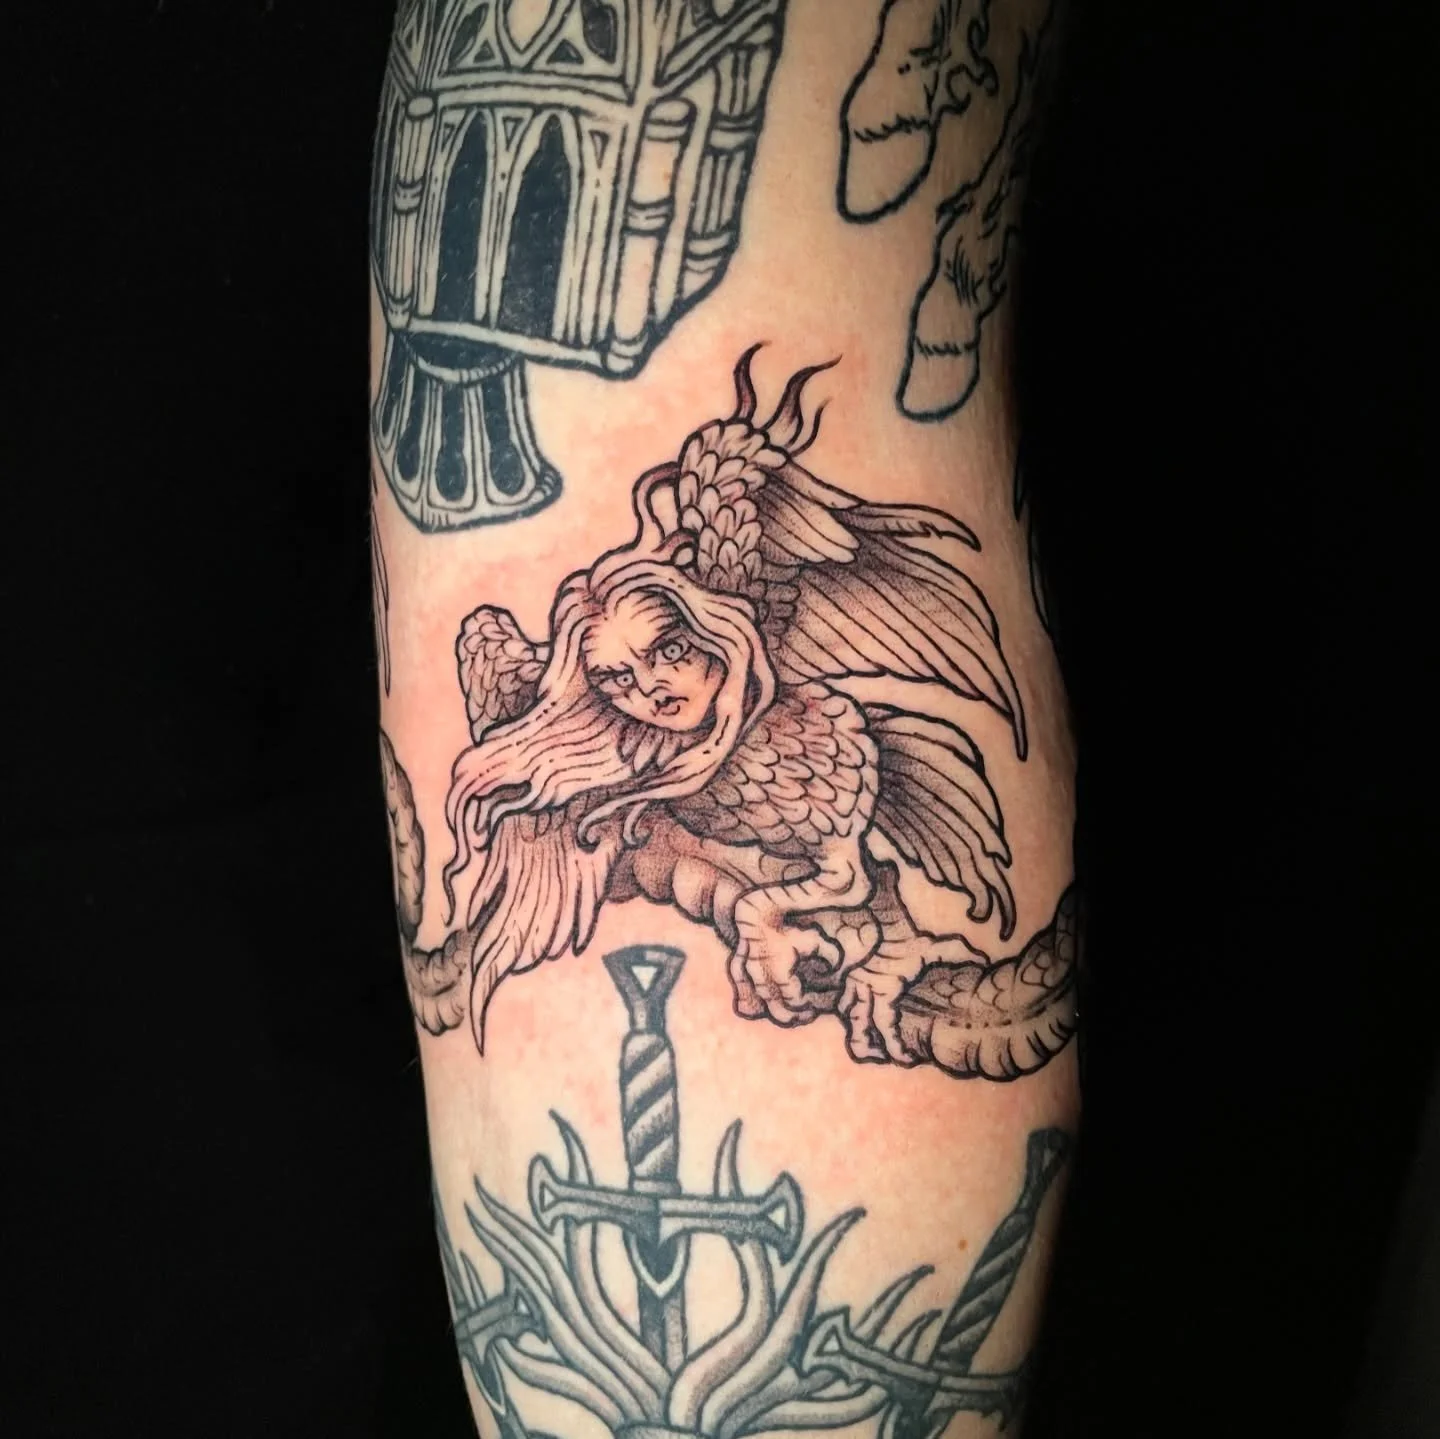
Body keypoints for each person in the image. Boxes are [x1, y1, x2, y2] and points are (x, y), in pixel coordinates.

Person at [370, 3, 1078, 1432]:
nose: (649, 693)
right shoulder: (626, 771)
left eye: (666, 660)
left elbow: (810, 326)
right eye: (620, 684)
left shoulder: (795, 717)